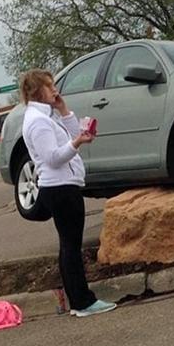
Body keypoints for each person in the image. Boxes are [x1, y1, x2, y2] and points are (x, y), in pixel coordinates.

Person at [20, 69, 116, 318]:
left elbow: (72, 136)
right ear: (36, 91)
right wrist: (77, 143)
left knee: (68, 244)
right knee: (71, 246)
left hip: (64, 185)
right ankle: (82, 301)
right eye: (49, 86)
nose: (54, 89)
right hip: (60, 187)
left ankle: (78, 300)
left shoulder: (46, 116)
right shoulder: (38, 121)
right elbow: (53, 158)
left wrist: (65, 111)